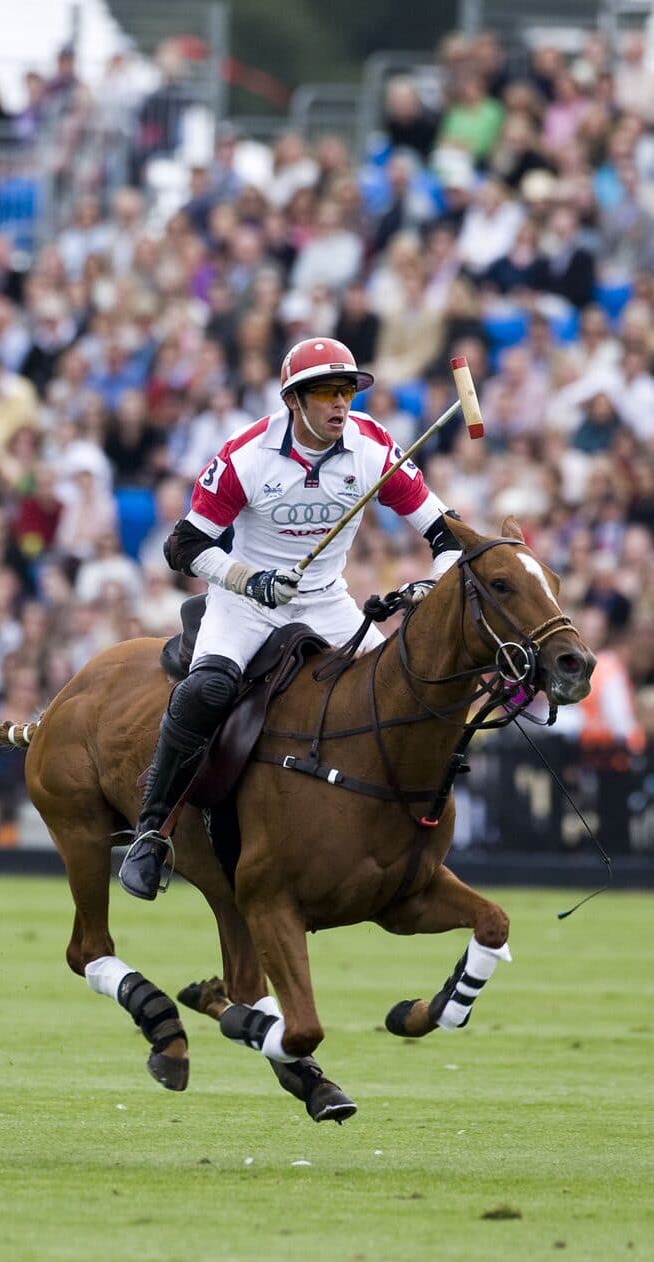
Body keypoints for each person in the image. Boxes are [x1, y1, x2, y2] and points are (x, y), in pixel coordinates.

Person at [118, 337, 471, 900]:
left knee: (397, 693)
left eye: (348, 392)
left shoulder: (374, 447)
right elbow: (182, 546)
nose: (341, 405)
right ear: (294, 401)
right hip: (246, 604)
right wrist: (247, 579)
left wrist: (434, 580)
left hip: (326, 598)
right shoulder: (247, 456)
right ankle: (150, 833)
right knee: (206, 689)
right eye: (328, 393)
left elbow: (446, 532)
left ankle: (396, 827)